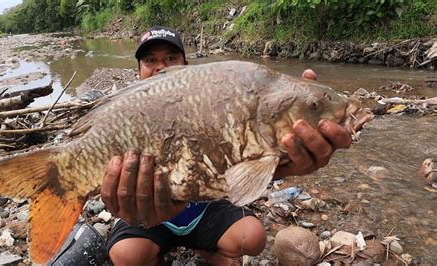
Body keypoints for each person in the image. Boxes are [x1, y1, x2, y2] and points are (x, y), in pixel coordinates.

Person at [102, 26, 355, 265]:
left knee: (252, 236)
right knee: (126, 256)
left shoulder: (214, 103)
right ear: (137, 70)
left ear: (187, 66)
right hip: (150, 213)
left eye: (170, 58)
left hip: (203, 208)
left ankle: (207, 246)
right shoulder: (126, 116)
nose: (160, 68)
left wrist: (281, 155)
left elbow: (242, 165)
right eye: (150, 60)